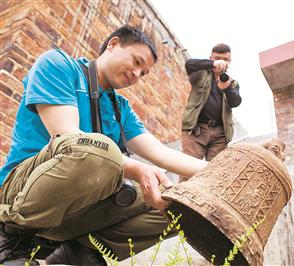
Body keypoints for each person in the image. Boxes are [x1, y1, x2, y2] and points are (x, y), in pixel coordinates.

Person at [0, 25, 207, 265]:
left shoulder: (121, 108)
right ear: (113, 44)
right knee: (102, 151)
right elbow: (67, 136)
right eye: (137, 61)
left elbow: (159, 153)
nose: (137, 75)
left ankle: (83, 251)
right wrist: (138, 170)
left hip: (77, 207)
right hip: (21, 193)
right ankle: (11, 236)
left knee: (182, 203)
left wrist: (222, 170)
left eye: (144, 73)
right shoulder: (58, 65)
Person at [181, 43, 241, 165]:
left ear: (230, 61)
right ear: (210, 58)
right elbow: (189, 64)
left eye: (225, 59)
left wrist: (227, 88)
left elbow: (236, 102)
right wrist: (212, 64)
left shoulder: (232, 82)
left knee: (215, 173)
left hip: (220, 134)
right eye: (217, 58)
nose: (221, 62)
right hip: (196, 129)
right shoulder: (200, 74)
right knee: (188, 170)